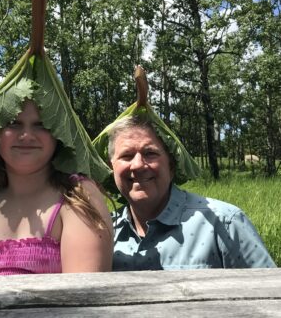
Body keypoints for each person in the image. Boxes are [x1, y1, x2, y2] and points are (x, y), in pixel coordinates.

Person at [0, 99, 113, 275]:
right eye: (13, 123)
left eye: (41, 125)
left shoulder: (78, 196)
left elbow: (83, 294)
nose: (27, 135)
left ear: (58, 135)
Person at [105, 114, 276, 270]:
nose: (137, 165)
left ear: (171, 166)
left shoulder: (224, 223)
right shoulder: (102, 232)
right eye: (126, 156)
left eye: (150, 153)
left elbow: (270, 294)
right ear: (111, 167)